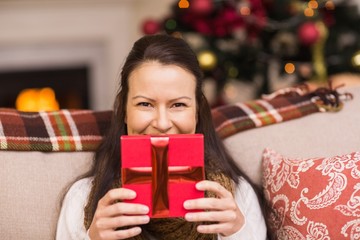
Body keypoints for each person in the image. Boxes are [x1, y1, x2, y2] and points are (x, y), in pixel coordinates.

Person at [56, 34, 267, 240]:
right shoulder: (82, 198)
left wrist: (238, 233)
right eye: (145, 104)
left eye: (178, 105)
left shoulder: (237, 197)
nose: (162, 124)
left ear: (197, 112)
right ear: (124, 110)